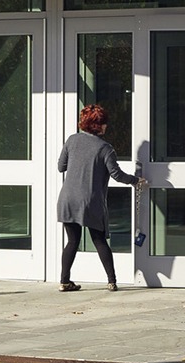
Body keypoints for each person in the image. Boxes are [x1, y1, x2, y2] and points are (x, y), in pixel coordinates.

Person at [56, 104, 139, 291]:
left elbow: (61, 167)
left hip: (68, 199)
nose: (106, 126)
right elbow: (116, 174)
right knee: (99, 240)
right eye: (104, 123)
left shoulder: (71, 140)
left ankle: (64, 281)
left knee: (72, 241)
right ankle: (111, 281)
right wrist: (136, 181)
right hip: (90, 201)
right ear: (98, 125)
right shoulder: (105, 148)